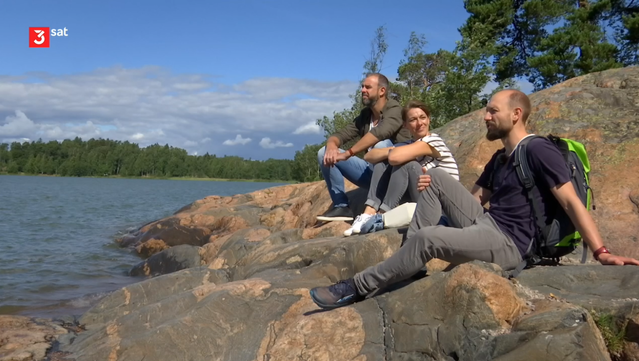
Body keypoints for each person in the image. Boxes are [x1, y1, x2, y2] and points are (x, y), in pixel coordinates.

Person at [310, 89, 639, 309]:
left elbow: (570, 202)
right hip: (489, 225)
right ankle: (409, 262)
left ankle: (355, 287)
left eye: (493, 111)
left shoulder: (538, 149)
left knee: (429, 236)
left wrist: (603, 252)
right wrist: (435, 200)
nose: (485, 116)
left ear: (516, 114)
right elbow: (472, 200)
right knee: (436, 178)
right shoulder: (501, 158)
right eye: (486, 111)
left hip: (512, 244)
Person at [344, 100, 459, 236]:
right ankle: (368, 213)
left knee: (407, 164)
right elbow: (369, 156)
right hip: (421, 198)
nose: (419, 123)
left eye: (423, 118)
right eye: (413, 120)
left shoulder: (433, 141)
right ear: (405, 125)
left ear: (429, 120)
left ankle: (383, 215)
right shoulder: (409, 144)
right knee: (382, 163)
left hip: (441, 204)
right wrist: (393, 150)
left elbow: (394, 158)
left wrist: (394, 152)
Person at [316, 73, 412, 222]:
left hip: (395, 176)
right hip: (372, 173)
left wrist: (349, 153)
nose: (362, 90)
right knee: (323, 153)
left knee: (381, 145)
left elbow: (380, 133)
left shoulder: (395, 110)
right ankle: (341, 206)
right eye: (362, 86)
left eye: (368, 87)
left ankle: (382, 204)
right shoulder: (365, 116)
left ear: (382, 91)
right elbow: (341, 134)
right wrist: (331, 145)